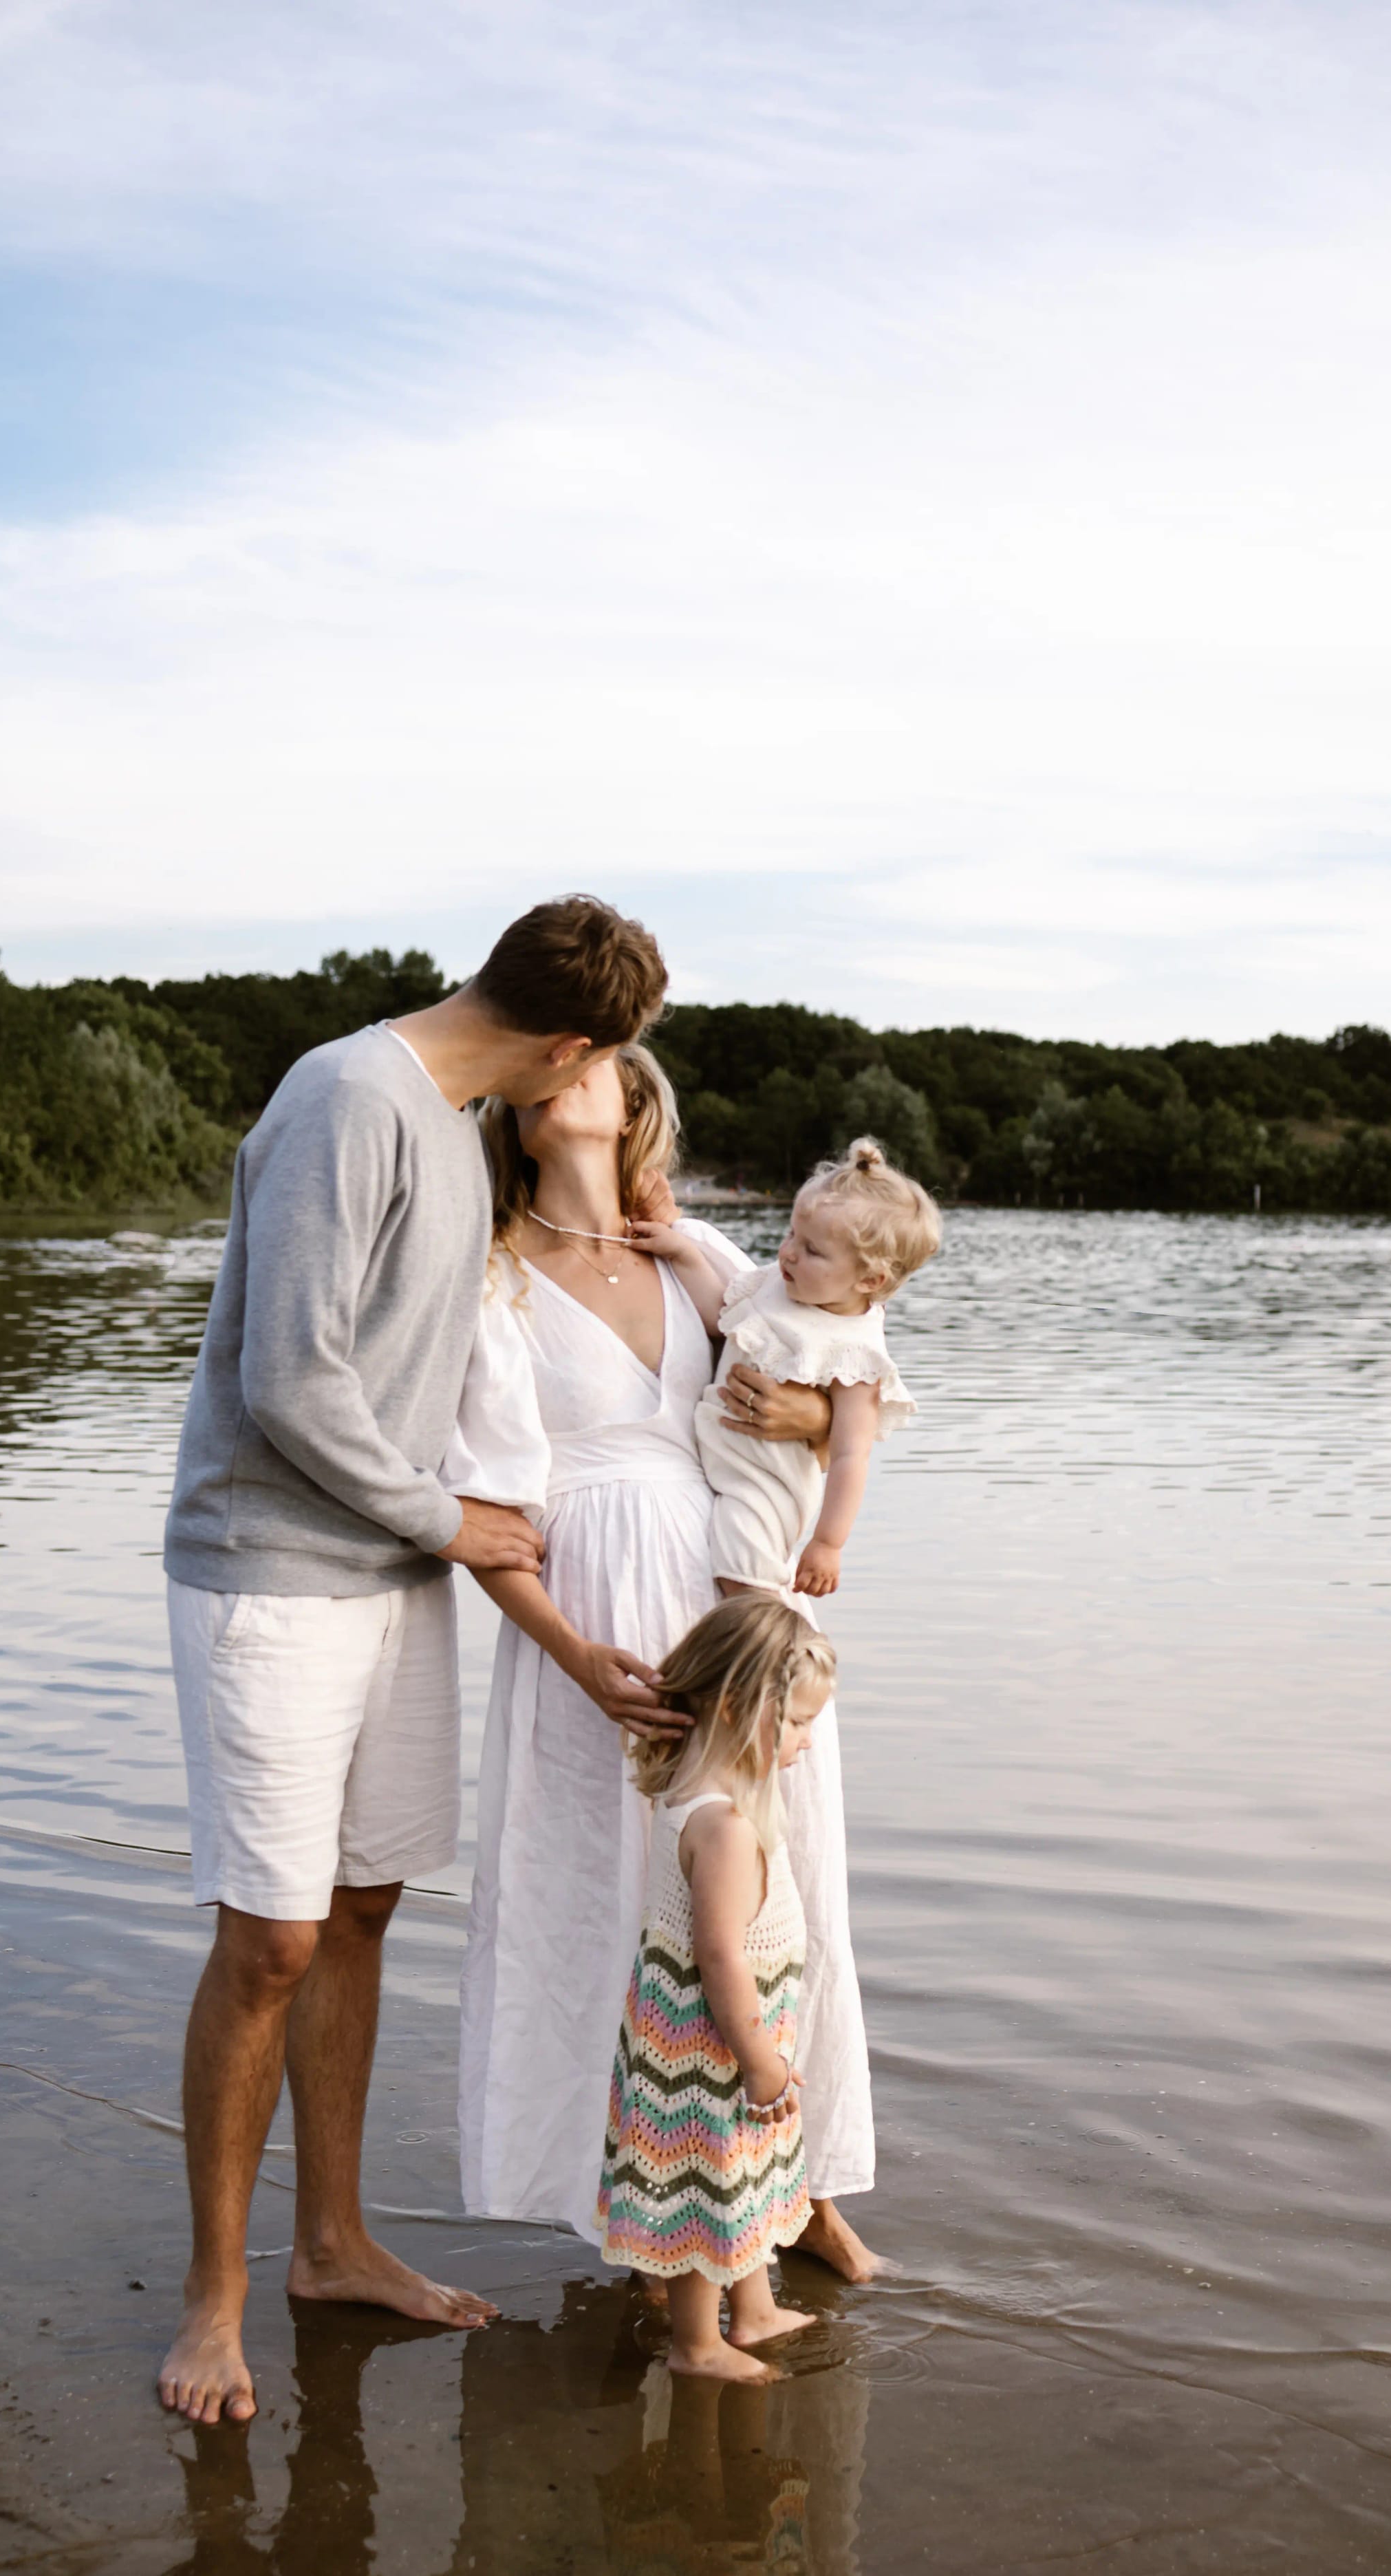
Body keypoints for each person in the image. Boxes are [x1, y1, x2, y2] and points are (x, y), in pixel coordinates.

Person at [157, 894, 667, 2428]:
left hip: (399, 1576)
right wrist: (452, 1520)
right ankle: (216, 2294)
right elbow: (288, 1380)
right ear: (566, 1041)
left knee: (365, 1909)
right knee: (273, 1939)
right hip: (270, 1570)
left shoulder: (460, 1124)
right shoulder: (343, 1095)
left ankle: (329, 2244)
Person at [440, 1045, 881, 2282]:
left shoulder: (709, 1262)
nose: (561, 1072)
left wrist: (805, 1423)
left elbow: (852, 1382)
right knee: (625, 1907)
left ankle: (804, 2188)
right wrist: (577, 1655)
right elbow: (485, 1510)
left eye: (594, 1060)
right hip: (603, 1615)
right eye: (544, 1063)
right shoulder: (491, 1275)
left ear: (635, 1101)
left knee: (789, 1897)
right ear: (519, 1119)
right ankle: (641, 2201)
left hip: (743, 1603)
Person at [596, 1595, 834, 2382]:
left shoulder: (703, 1797)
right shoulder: (725, 1826)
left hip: (722, 2030)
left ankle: (755, 2307)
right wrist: (759, 2057)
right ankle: (698, 2343)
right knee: (704, 2179)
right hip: (710, 2043)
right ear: (737, 1708)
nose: (804, 1743)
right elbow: (721, 1954)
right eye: (795, 1723)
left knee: (744, 2174)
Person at [632, 1137, 942, 1598]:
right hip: (710, 1463)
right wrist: (683, 1254)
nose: (790, 1252)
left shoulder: (856, 1351)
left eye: (813, 1250)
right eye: (792, 1234)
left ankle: (757, 1648)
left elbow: (851, 1456)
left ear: (870, 1279)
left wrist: (828, 1543)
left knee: (744, 1583)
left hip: (765, 1488)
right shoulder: (782, 1285)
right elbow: (721, 1313)